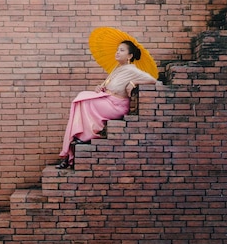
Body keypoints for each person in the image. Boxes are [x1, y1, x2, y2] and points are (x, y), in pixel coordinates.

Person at [56, 38, 158, 169]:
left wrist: (134, 83)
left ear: (130, 56)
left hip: (117, 105)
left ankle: (86, 136)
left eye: (121, 50)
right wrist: (100, 87)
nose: (117, 52)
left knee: (83, 100)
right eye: (117, 50)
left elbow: (152, 80)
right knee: (80, 99)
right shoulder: (117, 69)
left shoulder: (133, 70)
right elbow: (108, 86)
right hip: (107, 100)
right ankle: (78, 140)